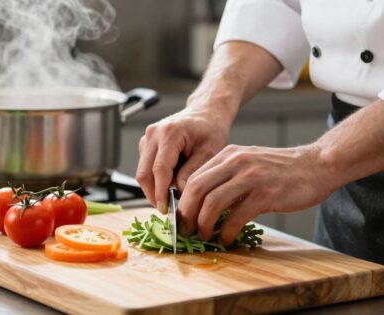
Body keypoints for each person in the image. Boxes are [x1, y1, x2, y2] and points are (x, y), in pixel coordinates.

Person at [136, 0, 384, 264]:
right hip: (345, 180)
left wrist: (318, 161)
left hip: (344, 154)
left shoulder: (325, 162)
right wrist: (210, 104)